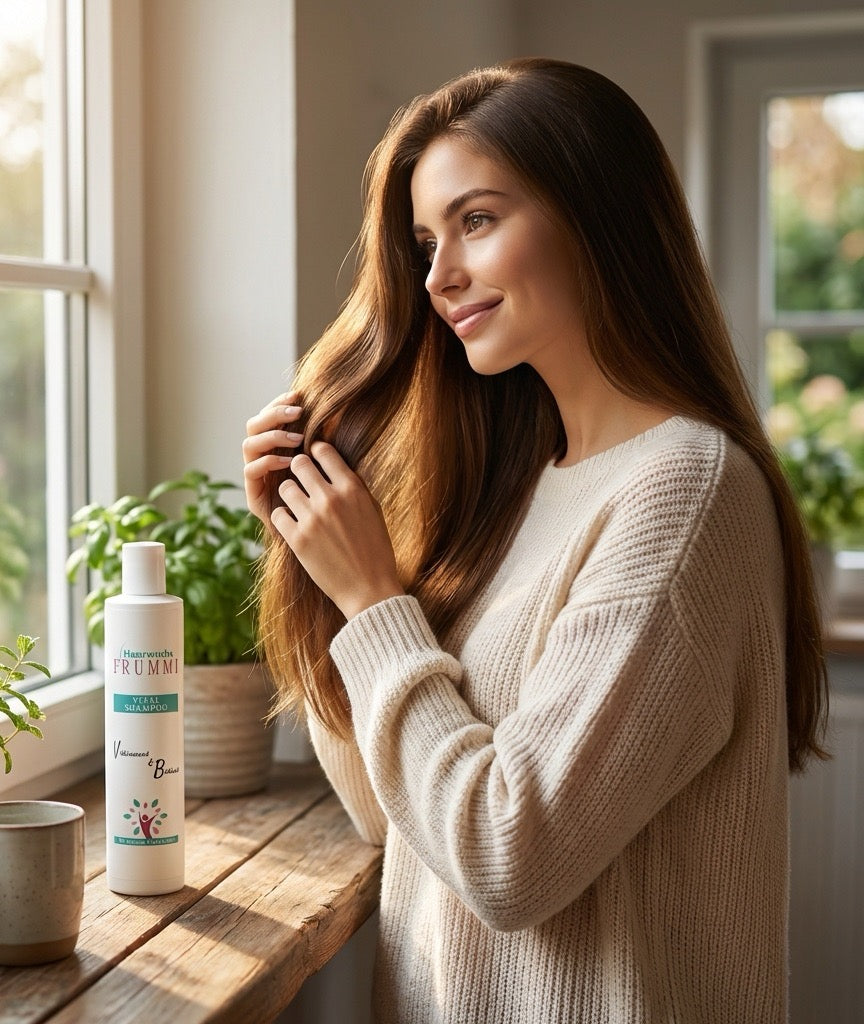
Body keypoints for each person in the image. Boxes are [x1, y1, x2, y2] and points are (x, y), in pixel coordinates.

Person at [242, 57, 828, 1023]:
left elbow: (508, 860)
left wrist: (373, 604)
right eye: (426, 240)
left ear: (598, 216)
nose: (439, 276)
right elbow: (391, 818)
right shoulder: (514, 491)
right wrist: (309, 563)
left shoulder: (686, 492)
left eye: (476, 220)